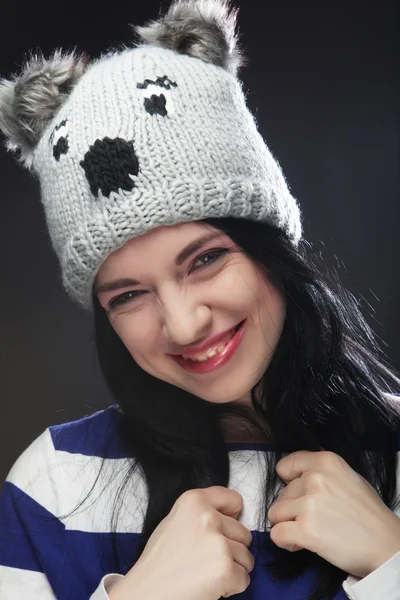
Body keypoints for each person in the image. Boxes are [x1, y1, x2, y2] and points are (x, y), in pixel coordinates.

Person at [0, 1, 399, 599]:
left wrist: (391, 562)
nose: (184, 327)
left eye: (206, 259)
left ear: (270, 249)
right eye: (129, 294)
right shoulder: (54, 482)